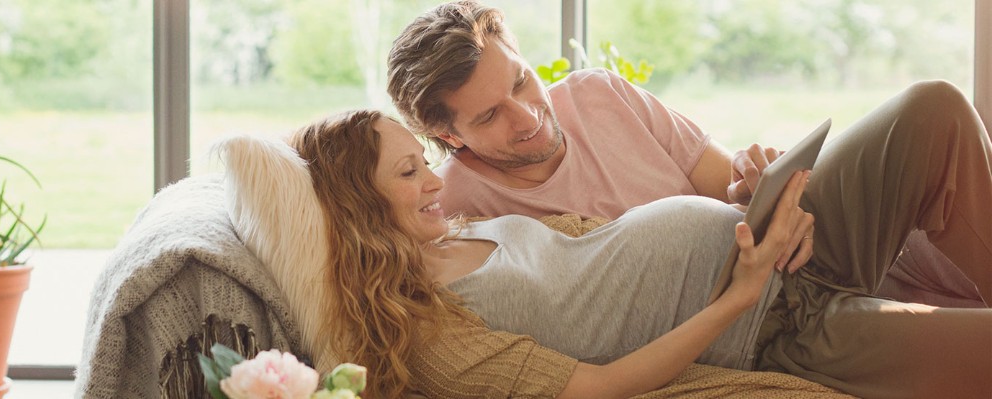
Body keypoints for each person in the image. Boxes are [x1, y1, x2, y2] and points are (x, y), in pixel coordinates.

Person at [287, 110, 992, 398]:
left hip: (782, 244)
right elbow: (598, 386)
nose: (435, 180)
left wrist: (763, 206)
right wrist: (738, 295)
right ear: (357, 208)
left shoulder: (473, 230)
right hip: (774, 324)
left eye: (424, 162)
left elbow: (611, 242)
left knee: (933, 109)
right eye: (408, 174)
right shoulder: (431, 331)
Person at [384, 1, 989, 308]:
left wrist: (755, 182)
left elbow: (727, 185)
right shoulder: (456, 204)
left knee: (934, 111)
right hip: (745, 309)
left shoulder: (599, 93)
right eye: (489, 115)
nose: (527, 116)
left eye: (520, 82)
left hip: (791, 243)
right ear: (452, 137)